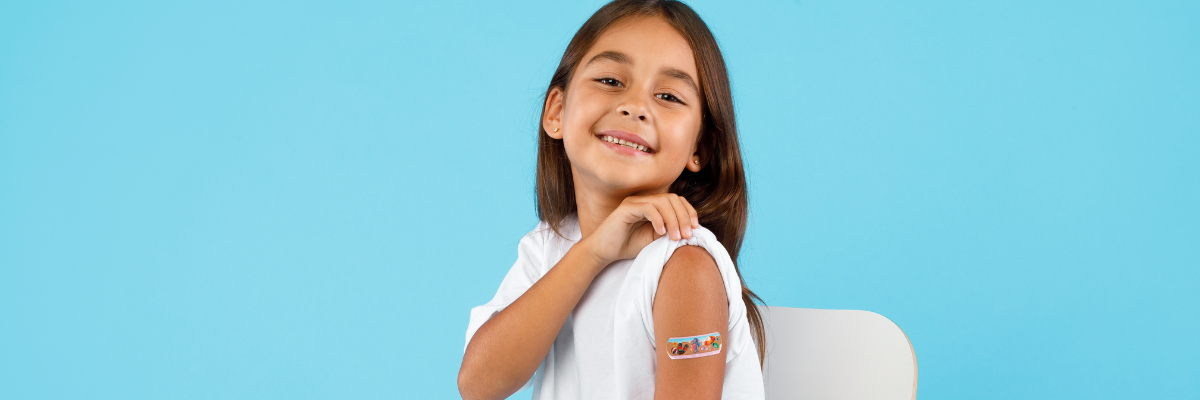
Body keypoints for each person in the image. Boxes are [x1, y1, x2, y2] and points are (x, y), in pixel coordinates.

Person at [458, 1, 766, 399]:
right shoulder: (551, 247)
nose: (635, 107)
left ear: (700, 149)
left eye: (669, 96)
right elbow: (478, 384)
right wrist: (594, 252)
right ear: (556, 111)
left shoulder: (686, 267)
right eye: (610, 81)